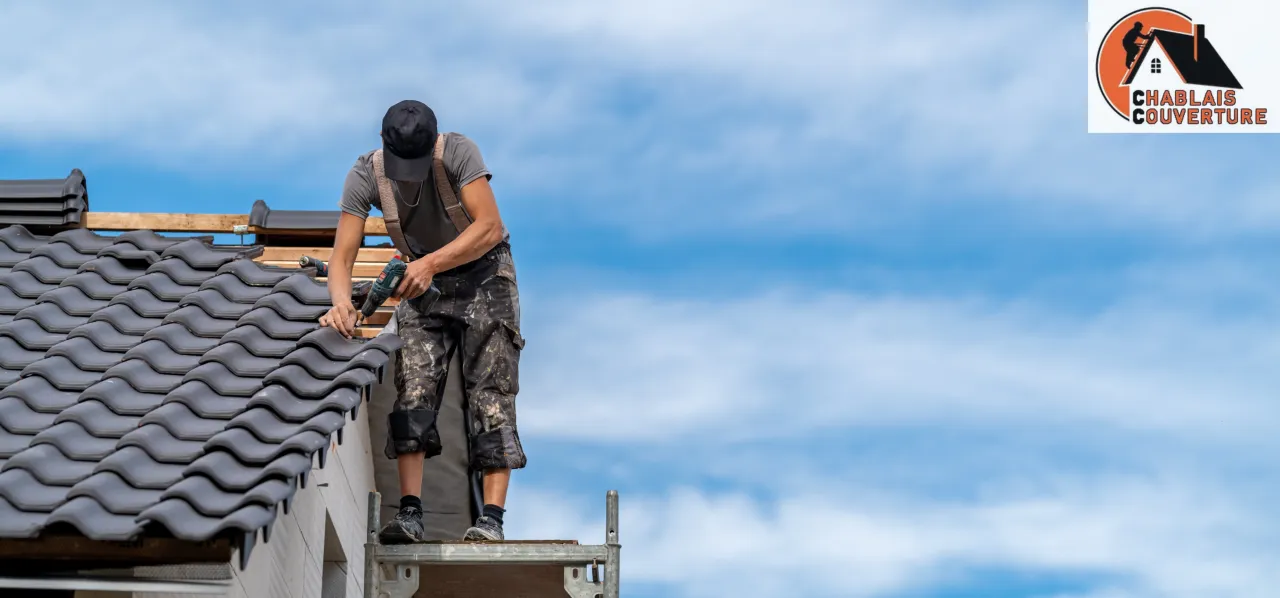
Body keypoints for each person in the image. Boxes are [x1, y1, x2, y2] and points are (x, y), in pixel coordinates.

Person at [319, 100, 527, 543]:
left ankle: (491, 519)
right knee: (413, 388)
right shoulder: (364, 175)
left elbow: (489, 226)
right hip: (422, 284)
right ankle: (410, 513)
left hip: (484, 277)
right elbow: (341, 257)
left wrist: (430, 263)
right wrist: (340, 302)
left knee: (491, 390)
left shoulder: (457, 153)